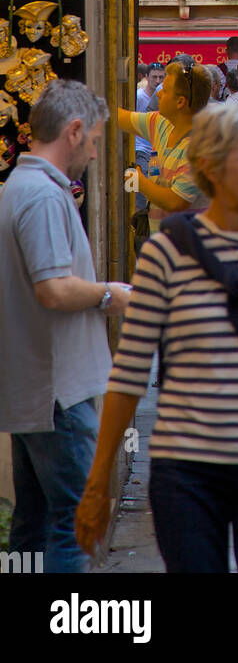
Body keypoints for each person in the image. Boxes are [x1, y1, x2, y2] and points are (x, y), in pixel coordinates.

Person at [75, 106, 238, 574]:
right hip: (189, 465)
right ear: (209, 165)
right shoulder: (167, 251)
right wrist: (96, 484)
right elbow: (130, 373)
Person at [0, 81, 131, 572]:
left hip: (39, 387)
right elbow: (53, 289)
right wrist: (109, 295)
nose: (95, 153)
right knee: (75, 524)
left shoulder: (22, 186)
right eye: (95, 141)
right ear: (74, 132)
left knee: (34, 525)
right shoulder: (42, 196)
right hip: (59, 392)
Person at [118, 59, 212, 219]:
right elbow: (119, 117)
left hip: (187, 243)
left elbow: (175, 202)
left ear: (180, 102)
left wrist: (139, 182)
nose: (159, 93)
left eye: (165, 90)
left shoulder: (199, 148)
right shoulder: (161, 122)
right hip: (160, 240)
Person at [133, 63, 165, 254]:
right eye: (155, 77)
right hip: (142, 149)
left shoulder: (161, 92)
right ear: (147, 76)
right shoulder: (138, 97)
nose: (158, 80)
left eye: (161, 77)